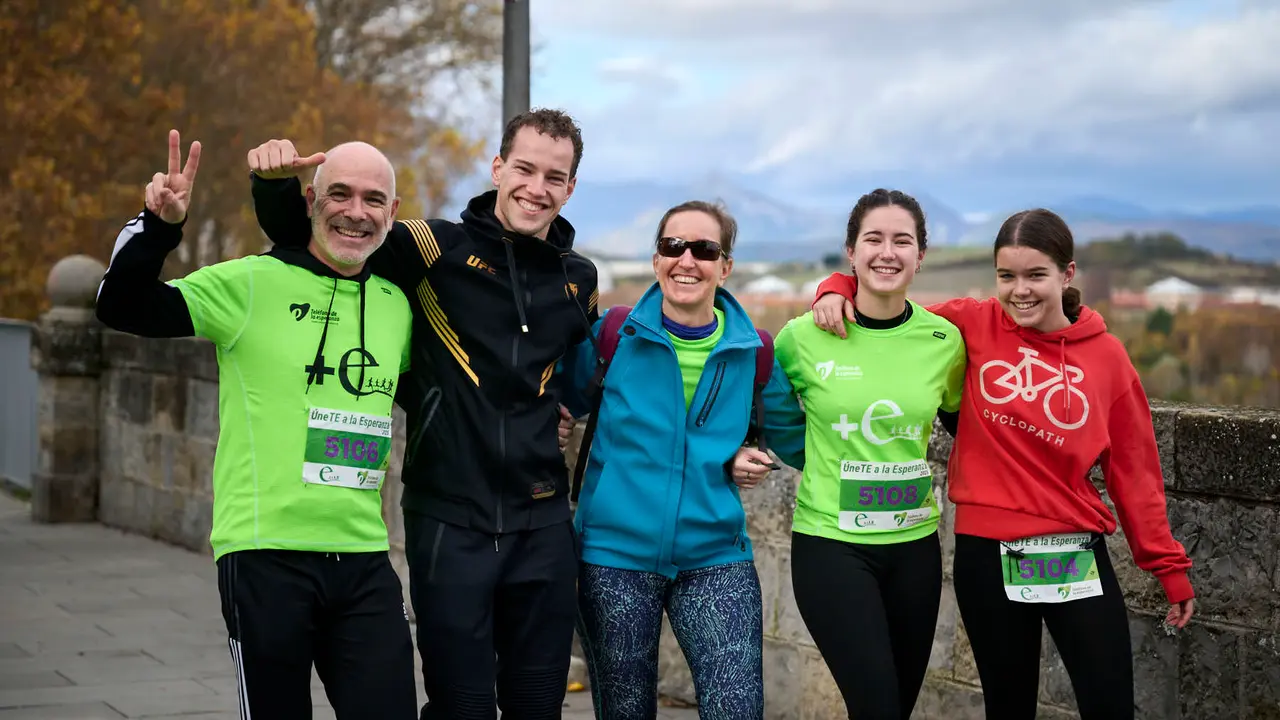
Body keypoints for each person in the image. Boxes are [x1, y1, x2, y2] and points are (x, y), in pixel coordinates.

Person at [245, 108, 599, 719]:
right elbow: (318, 251)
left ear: (570, 188)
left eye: (554, 177)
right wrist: (274, 187)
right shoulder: (432, 246)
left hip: (542, 524)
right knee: (460, 708)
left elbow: (576, 371)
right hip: (448, 519)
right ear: (497, 168)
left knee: (538, 709)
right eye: (524, 169)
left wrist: (562, 409)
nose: (536, 189)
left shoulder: (579, 279)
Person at [810, 207, 1196, 719]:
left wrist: (1167, 566)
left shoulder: (1107, 357)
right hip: (987, 554)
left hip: (1074, 548)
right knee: (1008, 710)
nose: (1021, 291)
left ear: (1067, 274)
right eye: (1007, 276)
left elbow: (1135, 472)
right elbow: (889, 307)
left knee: (1110, 706)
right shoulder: (968, 324)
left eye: (1036, 275)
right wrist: (836, 285)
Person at [95, 130, 417, 718]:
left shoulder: (397, 304)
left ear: (392, 214)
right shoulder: (247, 284)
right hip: (266, 556)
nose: (355, 211)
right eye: (339, 194)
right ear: (310, 202)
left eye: (374, 200)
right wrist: (157, 226)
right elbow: (119, 305)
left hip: (365, 558)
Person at [558, 200, 805, 720]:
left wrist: (748, 451)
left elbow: (800, 442)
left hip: (715, 559)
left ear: (726, 266)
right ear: (656, 259)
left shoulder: (753, 351)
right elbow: (549, 398)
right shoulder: (614, 336)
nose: (686, 260)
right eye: (673, 247)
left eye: (704, 249)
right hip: (612, 559)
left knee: (737, 710)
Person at [762, 189, 967, 719]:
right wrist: (820, 463)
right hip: (832, 546)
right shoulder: (801, 338)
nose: (887, 252)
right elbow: (775, 420)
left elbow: (969, 423)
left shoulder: (944, 340)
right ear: (850, 252)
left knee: (894, 707)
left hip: (915, 550)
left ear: (921, 256)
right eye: (873, 239)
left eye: (903, 241)